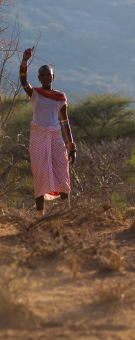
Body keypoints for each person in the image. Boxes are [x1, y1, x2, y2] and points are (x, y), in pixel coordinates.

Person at [19, 47, 77, 216]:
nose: (45, 77)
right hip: (38, 136)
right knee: (40, 173)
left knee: (62, 170)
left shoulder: (60, 97)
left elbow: (65, 122)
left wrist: (72, 145)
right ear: (39, 78)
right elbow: (23, 81)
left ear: (53, 77)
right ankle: (40, 215)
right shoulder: (35, 93)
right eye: (42, 75)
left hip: (55, 136)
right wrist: (25, 60)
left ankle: (65, 214)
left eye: (48, 74)